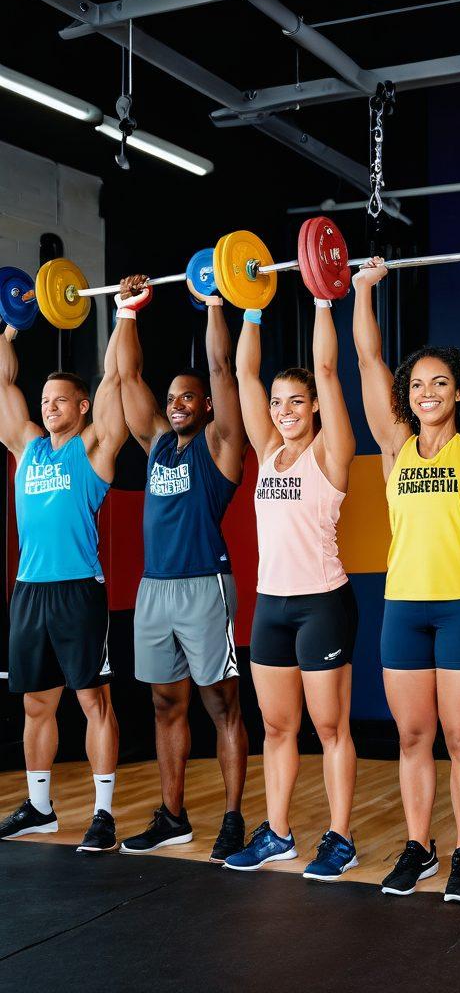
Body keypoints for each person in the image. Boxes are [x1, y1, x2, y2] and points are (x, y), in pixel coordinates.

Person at [352, 247, 460, 903]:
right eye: (418, 385)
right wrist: (363, 290)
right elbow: (369, 360)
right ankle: (417, 845)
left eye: (439, 384)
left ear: (458, 393)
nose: (426, 393)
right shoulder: (394, 447)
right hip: (404, 607)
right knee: (413, 736)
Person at [114, 275, 249, 863]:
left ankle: (232, 819)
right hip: (154, 591)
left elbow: (222, 366)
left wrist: (214, 302)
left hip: (204, 587)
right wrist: (126, 311)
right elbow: (127, 378)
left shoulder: (220, 449)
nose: (176, 402)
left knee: (221, 705)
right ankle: (173, 816)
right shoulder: (157, 445)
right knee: (165, 704)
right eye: (173, 397)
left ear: (208, 407)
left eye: (187, 397)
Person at [225, 292, 359, 881]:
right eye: (278, 403)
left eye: (295, 402)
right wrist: (251, 308)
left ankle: (340, 837)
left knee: (330, 728)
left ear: (314, 408)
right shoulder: (266, 451)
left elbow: (327, 370)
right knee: (277, 728)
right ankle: (277, 833)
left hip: (322, 605)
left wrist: (323, 301)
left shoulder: (331, 455)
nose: (283, 410)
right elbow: (242, 372)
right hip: (271, 607)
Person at [0, 295, 129, 851]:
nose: (49, 406)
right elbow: (4, 389)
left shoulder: (94, 449)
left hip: (78, 588)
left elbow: (116, 380)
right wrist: (7, 333)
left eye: (60, 400)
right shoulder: (26, 446)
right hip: (28, 591)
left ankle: (103, 815)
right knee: (36, 703)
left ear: (81, 407)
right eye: (45, 398)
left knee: (93, 700)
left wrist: (124, 313)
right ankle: (40, 807)